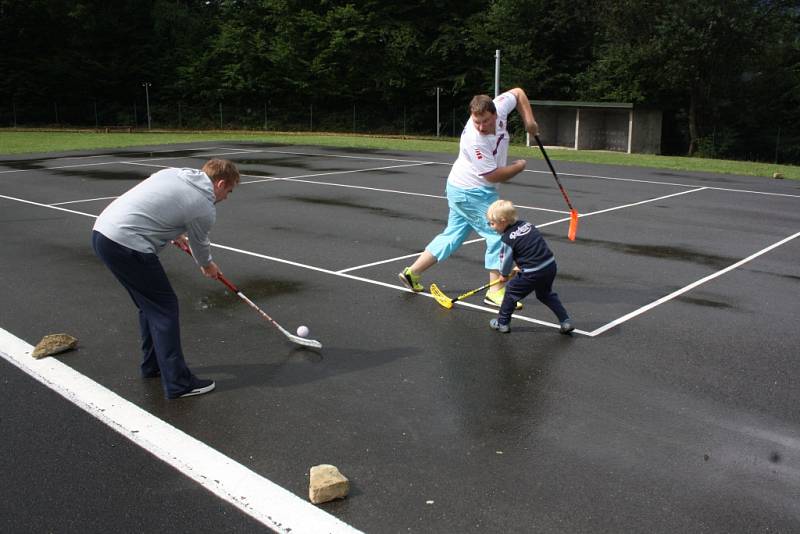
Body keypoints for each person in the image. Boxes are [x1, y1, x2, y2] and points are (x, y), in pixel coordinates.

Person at [91, 159, 240, 399]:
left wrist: (174, 231)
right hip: (127, 244)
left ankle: (153, 366)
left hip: (103, 234)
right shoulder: (204, 206)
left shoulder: (175, 173)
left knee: (149, 306)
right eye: (228, 191)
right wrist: (208, 266)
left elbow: (159, 204)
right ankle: (179, 384)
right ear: (220, 183)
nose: (226, 197)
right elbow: (201, 246)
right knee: (165, 308)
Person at [398, 88, 539, 308]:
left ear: (495, 113)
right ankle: (495, 292)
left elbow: (519, 93)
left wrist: (529, 121)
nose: (481, 127)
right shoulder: (475, 141)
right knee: (499, 235)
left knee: (453, 235)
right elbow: (493, 175)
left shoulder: (499, 106)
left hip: (461, 188)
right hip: (472, 191)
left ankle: (412, 273)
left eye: (485, 121)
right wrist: (518, 167)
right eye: (476, 122)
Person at [485, 199, 574, 334]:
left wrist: (504, 275)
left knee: (510, 294)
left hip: (532, 272)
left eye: (492, 223)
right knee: (545, 294)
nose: (491, 226)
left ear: (503, 221)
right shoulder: (527, 225)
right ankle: (565, 321)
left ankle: (502, 323)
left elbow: (505, 260)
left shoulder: (507, 239)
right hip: (549, 265)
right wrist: (521, 265)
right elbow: (533, 246)